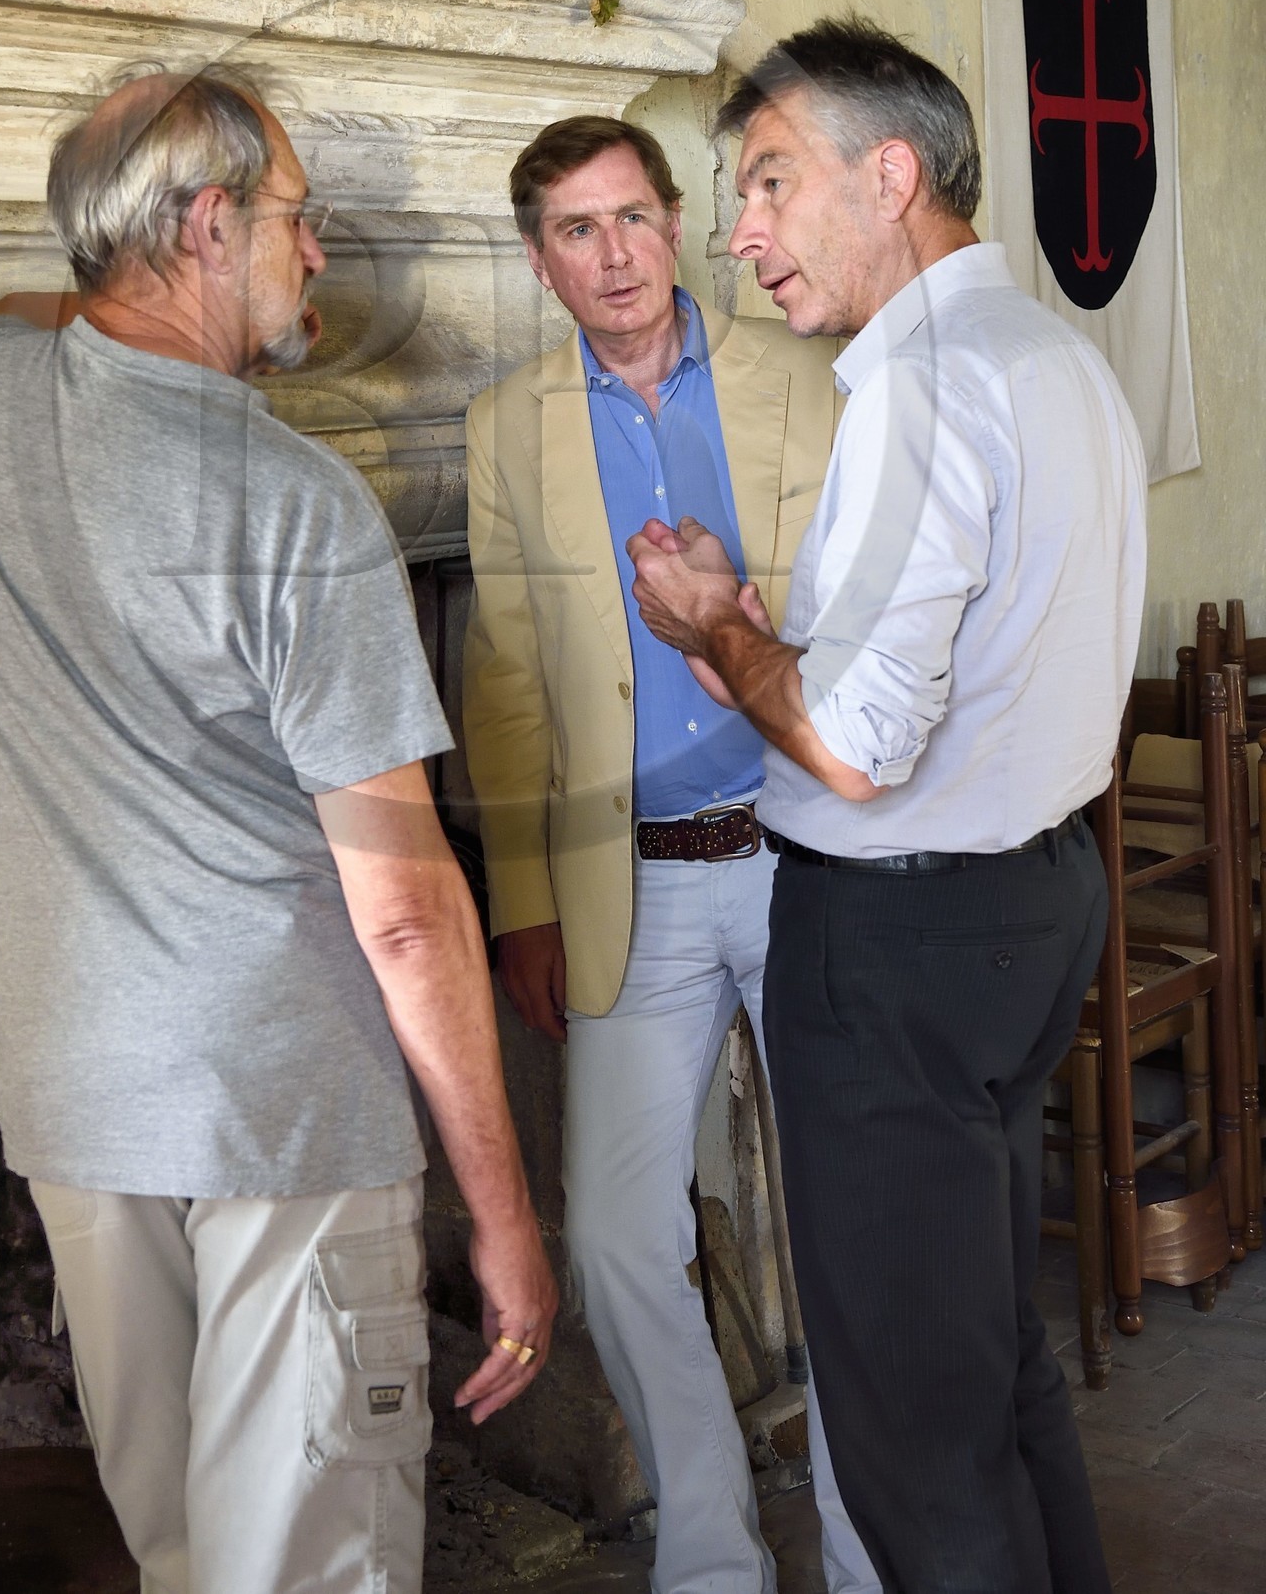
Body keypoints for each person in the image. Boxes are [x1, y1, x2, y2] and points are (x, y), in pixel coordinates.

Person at [0, 64, 556, 1594]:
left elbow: (17, 313)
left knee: (179, 1555)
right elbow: (406, 910)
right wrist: (503, 1215)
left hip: (76, 1103)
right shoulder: (299, 507)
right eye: (296, 218)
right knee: (302, 1570)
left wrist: (114, 283)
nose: (319, 253)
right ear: (207, 226)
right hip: (280, 1118)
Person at [628, 17, 1144, 1594]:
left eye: (772, 180)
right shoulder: (1056, 357)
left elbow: (856, 749)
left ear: (893, 174)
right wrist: (765, 648)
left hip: (900, 948)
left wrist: (713, 628)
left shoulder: (922, 386)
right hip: (1035, 905)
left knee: (917, 1444)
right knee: (993, 1372)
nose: (742, 232)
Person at [461, 113, 880, 1594]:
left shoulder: (806, 380)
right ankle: (712, 1566)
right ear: (540, 261)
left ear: (678, 221)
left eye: (633, 216)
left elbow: (871, 612)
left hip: (807, 858)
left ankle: (869, 1555)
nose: (615, 254)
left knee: (847, 1226)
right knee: (619, 1237)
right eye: (577, 231)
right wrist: (523, 900)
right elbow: (507, 677)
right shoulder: (506, 424)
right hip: (626, 883)